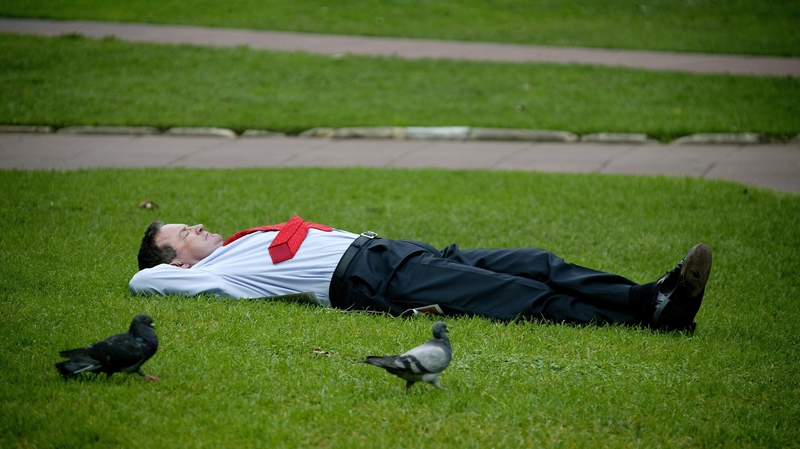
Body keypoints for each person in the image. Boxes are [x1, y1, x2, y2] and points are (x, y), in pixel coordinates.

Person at [129, 215, 712, 332]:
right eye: (183, 234)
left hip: (398, 252)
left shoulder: (239, 244)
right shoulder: (218, 276)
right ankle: (655, 316)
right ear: (179, 261)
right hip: (376, 281)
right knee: (519, 296)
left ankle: (647, 296)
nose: (197, 227)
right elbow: (143, 282)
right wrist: (166, 262)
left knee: (534, 263)